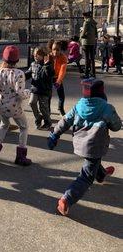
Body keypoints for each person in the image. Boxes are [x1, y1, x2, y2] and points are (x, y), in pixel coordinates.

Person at [48, 79, 121, 216]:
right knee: (87, 176)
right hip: (95, 146)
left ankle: (101, 174)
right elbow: (116, 126)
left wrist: (55, 135)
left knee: (92, 161)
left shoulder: (78, 105)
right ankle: (67, 199)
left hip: (80, 144)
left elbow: (65, 121)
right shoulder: (107, 108)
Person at [0, 46, 31, 166]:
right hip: (15, 107)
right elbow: (20, 93)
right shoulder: (19, 73)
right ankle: (21, 156)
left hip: (1, 106)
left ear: (3, 58)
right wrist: (28, 92)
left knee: (4, 125)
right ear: (17, 60)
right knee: (24, 127)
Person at [25, 47, 54, 129]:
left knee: (43, 107)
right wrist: (21, 76)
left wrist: (47, 65)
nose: (35, 57)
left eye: (37, 55)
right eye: (34, 55)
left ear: (43, 56)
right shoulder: (33, 64)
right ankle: (38, 117)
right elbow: (29, 73)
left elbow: (50, 74)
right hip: (35, 89)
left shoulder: (48, 65)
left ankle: (47, 122)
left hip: (44, 90)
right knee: (31, 102)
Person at [50, 41, 68, 116]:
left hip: (58, 78)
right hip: (49, 78)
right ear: (51, 49)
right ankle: (47, 111)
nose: (55, 51)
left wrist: (59, 81)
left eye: (58, 49)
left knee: (61, 96)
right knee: (48, 96)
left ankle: (60, 109)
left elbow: (62, 70)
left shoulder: (63, 57)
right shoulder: (48, 56)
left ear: (61, 50)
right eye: (54, 49)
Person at [80, 11, 98, 78]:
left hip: (86, 42)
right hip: (92, 42)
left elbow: (83, 32)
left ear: (85, 16)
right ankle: (93, 73)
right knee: (92, 58)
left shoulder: (86, 22)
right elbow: (96, 33)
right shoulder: (93, 22)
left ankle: (86, 73)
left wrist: (81, 35)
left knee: (87, 58)